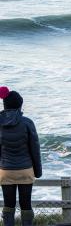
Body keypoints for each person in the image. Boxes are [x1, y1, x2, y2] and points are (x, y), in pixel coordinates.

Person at [0, 87, 42, 226]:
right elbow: (35, 149)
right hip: (25, 169)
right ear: (19, 106)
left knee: (8, 205)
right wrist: (38, 172)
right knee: (26, 205)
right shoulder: (27, 123)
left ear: (4, 105)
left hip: (5, 170)